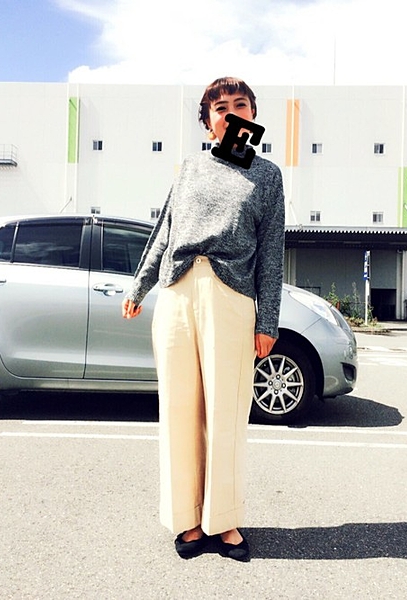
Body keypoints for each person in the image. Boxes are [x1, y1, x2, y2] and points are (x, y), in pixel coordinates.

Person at [122, 77, 285, 562]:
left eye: (241, 104)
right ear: (208, 121)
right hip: (177, 291)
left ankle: (224, 520)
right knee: (179, 410)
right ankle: (188, 519)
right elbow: (164, 231)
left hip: (231, 296)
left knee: (226, 412)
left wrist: (267, 321)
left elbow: (272, 252)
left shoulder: (267, 176)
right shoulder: (190, 168)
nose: (231, 112)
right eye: (220, 107)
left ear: (252, 116)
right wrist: (139, 285)